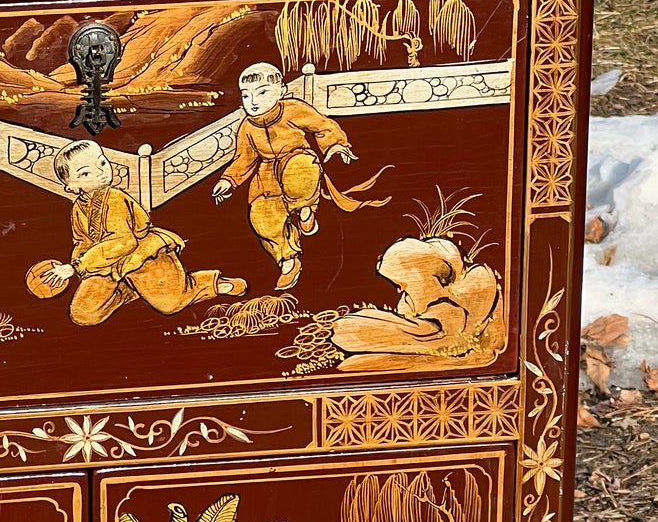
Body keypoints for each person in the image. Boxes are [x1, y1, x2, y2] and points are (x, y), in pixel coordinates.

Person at [212, 63, 382, 290]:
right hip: (266, 176)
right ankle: (287, 259)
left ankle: (305, 209)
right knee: (261, 217)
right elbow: (244, 158)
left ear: (281, 91)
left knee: (300, 172)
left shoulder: (292, 109)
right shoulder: (247, 128)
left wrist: (335, 145)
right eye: (246, 95)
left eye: (262, 93)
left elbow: (323, 126)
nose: (253, 101)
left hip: (297, 159)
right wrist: (228, 180)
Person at [42, 138, 245, 327]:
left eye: (102, 163)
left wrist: (79, 266)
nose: (101, 172)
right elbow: (82, 242)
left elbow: (124, 241)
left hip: (142, 254)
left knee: (170, 304)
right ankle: (132, 289)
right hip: (107, 264)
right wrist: (75, 265)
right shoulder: (78, 208)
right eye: (85, 173)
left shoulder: (115, 199)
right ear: (70, 187)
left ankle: (212, 284)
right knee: (82, 314)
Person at [330, 235, 507, 371]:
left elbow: (430, 333)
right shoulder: (412, 301)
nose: (399, 291)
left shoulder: (463, 299)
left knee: (352, 334)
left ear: (418, 277)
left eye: (401, 284)